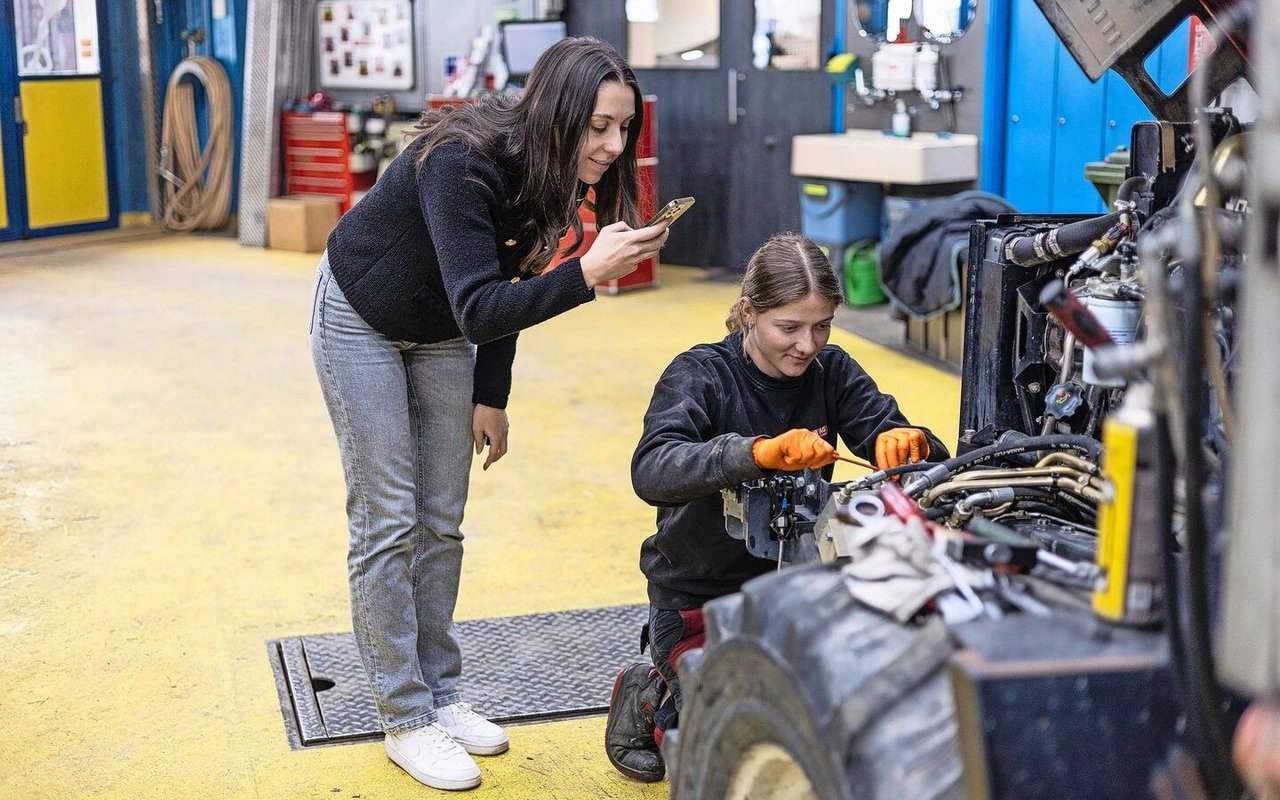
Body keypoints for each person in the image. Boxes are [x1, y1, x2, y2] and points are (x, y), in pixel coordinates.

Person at [309, 36, 668, 792]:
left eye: (622, 129)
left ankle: (441, 694)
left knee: (442, 518)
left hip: (442, 330)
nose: (612, 145)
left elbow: (512, 274)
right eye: (598, 126)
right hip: (361, 317)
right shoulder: (461, 160)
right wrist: (587, 274)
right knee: (388, 520)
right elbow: (483, 304)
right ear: (557, 112)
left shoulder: (557, 170)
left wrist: (492, 397)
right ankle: (404, 716)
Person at [604, 232, 949, 782]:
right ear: (748, 313)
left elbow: (915, 448)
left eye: (821, 326)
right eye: (788, 327)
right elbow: (653, 469)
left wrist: (909, 442)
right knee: (726, 740)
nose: (807, 345)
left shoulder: (832, 372)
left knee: (831, 716)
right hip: (699, 593)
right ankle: (652, 696)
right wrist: (755, 453)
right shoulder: (702, 374)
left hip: (799, 590)